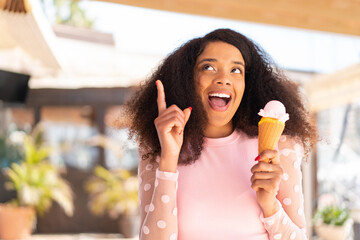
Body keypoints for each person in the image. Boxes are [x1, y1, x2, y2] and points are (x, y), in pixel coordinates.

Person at [126, 28, 316, 240]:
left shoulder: (280, 147)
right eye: (208, 67)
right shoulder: (158, 148)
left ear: (247, 85)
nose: (224, 78)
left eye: (236, 70)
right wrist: (169, 161)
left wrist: (270, 206)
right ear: (187, 79)